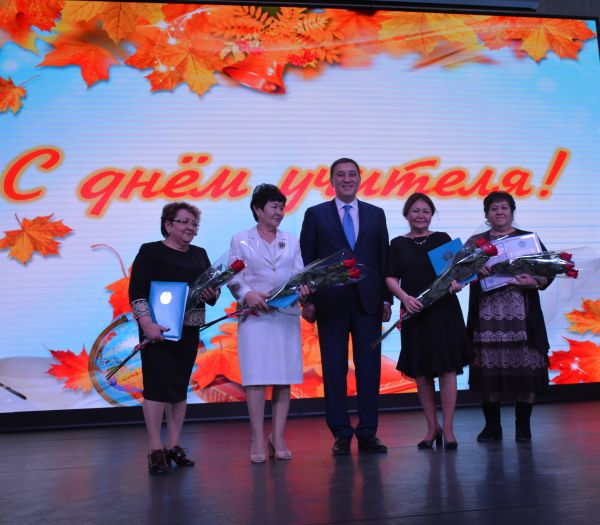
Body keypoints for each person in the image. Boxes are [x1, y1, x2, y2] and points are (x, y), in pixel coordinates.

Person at [300, 158, 392, 455]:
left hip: (368, 303)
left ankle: (368, 433)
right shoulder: (316, 214)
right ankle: (340, 433)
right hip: (330, 303)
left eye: (352, 174)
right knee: (333, 369)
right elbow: (307, 261)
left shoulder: (376, 214)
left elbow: (383, 258)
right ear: (331, 181)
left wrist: (386, 299)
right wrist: (308, 300)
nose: (347, 179)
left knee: (370, 370)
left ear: (360, 179)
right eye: (341, 175)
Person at [129, 202, 218, 474]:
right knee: (156, 388)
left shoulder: (199, 254)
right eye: (184, 222)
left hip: (188, 330)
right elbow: (137, 291)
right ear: (167, 225)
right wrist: (147, 324)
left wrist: (211, 293)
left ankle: (174, 445)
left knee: (179, 389)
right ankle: (155, 449)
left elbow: (212, 292)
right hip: (157, 331)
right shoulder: (150, 251)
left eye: (194, 224)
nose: (191, 227)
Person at [227, 184, 309, 463]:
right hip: (255, 317)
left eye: (282, 207)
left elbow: (299, 274)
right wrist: (247, 294)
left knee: (284, 379)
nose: (279, 212)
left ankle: (279, 436)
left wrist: (303, 289)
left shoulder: (291, 240)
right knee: (257, 380)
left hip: (285, 316)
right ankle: (257, 438)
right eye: (274, 206)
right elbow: (233, 277)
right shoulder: (241, 240)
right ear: (257, 209)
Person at [385, 193, 472, 450]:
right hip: (415, 312)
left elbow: (459, 273)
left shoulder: (442, 239)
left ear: (431, 215)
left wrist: (458, 283)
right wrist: (404, 298)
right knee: (422, 373)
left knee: (447, 370)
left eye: (425, 211)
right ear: (406, 214)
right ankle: (431, 429)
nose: (420, 215)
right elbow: (390, 278)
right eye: (415, 211)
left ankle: (449, 429)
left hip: (444, 312)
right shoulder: (397, 244)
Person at [468, 191, 551, 442]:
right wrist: (474, 270)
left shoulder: (528, 239)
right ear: (486, 214)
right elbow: (457, 275)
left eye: (504, 207)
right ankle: (492, 427)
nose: (499, 212)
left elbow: (549, 270)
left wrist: (534, 281)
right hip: (486, 318)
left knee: (525, 375)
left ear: (512, 212)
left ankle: (523, 428)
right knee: (489, 375)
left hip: (523, 317)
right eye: (494, 208)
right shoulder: (475, 242)